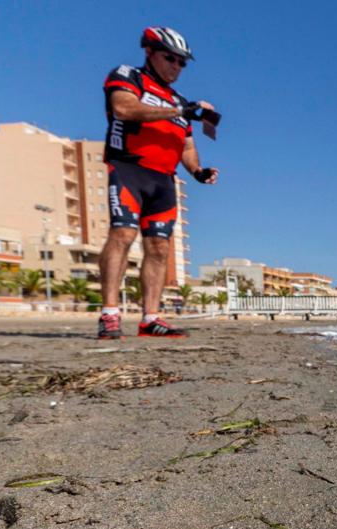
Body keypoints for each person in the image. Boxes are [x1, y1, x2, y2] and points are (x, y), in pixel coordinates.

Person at [97, 26, 219, 339]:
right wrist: (181, 110)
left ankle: (150, 318)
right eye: (171, 59)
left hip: (164, 180)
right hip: (129, 169)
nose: (176, 67)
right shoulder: (129, 76)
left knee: (159, 247)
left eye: (182, 63)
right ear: (149, 52)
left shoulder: (179, 101)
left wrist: (198, 171)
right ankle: (110, 313)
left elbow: (187, 147)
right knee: (122, 234)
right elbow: (123, 108)